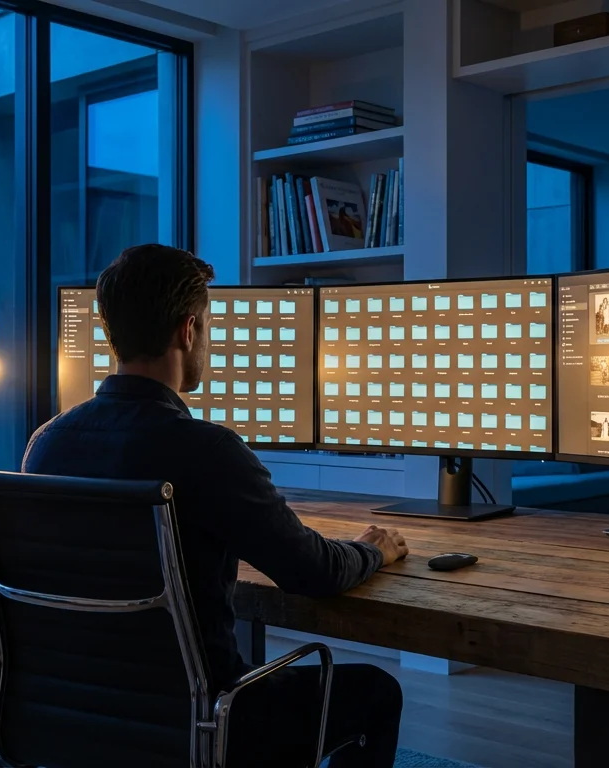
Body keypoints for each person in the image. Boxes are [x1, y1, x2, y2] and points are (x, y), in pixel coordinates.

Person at [22, 245, 406, 768]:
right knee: (376, 692)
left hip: (75, 714)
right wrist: (373, 550)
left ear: (112, 333)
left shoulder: (46, 444)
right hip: (205, 720)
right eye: (207, 325)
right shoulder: (207, 450)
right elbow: (312, 571)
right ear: (188, 330)